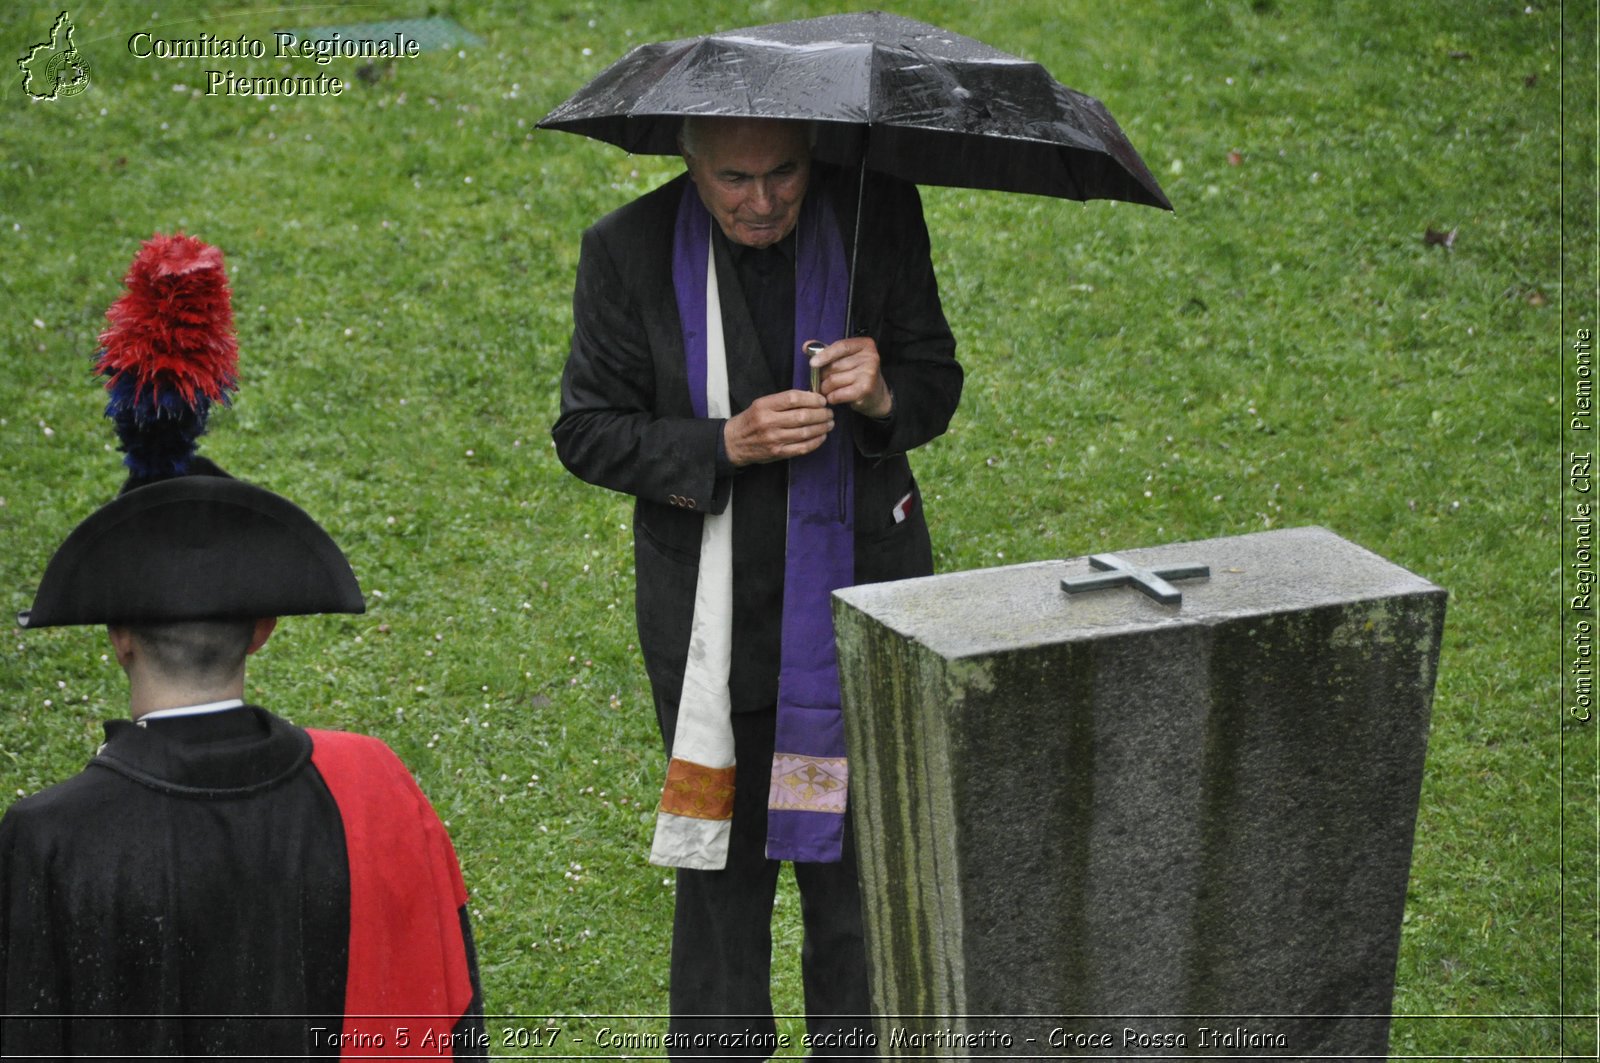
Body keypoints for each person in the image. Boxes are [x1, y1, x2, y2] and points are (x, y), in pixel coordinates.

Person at [0, 232, 485, 1059]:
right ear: (264, 627)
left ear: (118, 636)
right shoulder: (375, 795)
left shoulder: (49, 839)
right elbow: (452, 1025)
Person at [552, 115, 962, 1052]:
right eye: (734, 178)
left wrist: (885, 390)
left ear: (813, 159)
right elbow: (587, 430)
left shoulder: (878, 216)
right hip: (712, 621)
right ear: (690, 167)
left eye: (784, 173)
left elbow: (936, 376)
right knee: (721, 877)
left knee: (858, 872)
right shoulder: (628, 250)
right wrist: (722, 443)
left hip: (855, 604)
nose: (764, 200)